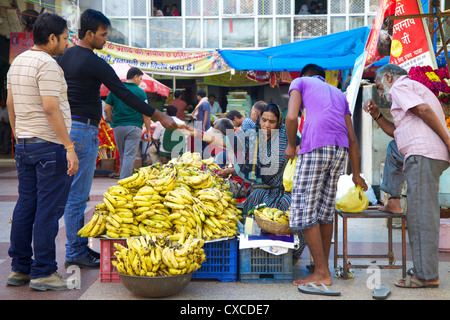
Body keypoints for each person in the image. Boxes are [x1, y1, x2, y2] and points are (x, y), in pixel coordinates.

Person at [57, 9, 177, 269]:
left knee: (70, 193)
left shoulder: (64, 57)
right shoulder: (94, 62)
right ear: (88, 34)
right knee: (78, 195)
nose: (106, 39)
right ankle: (75, 251)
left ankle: (74, 248)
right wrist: (158, 115)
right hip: (84, 130)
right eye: (102, 34)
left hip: (66, 129)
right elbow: (125, 93)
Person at [6, 13, 78, 291]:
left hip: (25, 144)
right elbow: (50, 108)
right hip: (49, 146)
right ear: (51, 39)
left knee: (26, 205)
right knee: (48, 210)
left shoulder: (18, 62)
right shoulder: (47, 64)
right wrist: (69, 147)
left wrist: (18, 134)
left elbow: (11, 104)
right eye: (64, 37)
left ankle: (20, 269)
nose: (66, 42)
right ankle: (44, 272)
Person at [365, 64, 450, 289]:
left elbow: (423, 110)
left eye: (379, 85)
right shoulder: (411, 88)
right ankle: (393, 200)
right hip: (421, 153)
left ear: (389, 77)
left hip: (423, 154)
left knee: (421, 218)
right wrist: (376, 115)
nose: (380, 92)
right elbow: (397, 132)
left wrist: (449, 141)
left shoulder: (400, 87)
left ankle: (426, 275)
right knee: (395, 148)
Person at [285, 63, 367, 287]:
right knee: (324, 211)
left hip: (315, 148)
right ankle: (321, 267)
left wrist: (291, 145)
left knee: (303, 209)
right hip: (339, 152)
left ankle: (321, 272)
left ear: (305, 76)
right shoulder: (340, 95)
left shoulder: (299, 82)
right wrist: (356, 175)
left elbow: (291, 118)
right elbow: (352, 138)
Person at [104, 67, 151, 179]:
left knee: (123, 155)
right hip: (134, 126)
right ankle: (123, 182)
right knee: (129, 155)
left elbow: (106, 108)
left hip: (118, 127)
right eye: (140, 78)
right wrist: (148, 131)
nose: (140, 81)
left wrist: (111, 120)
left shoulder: (115, 90)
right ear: (135, 77)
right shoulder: (141, 92)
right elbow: (146, 114)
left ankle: (123, 178)